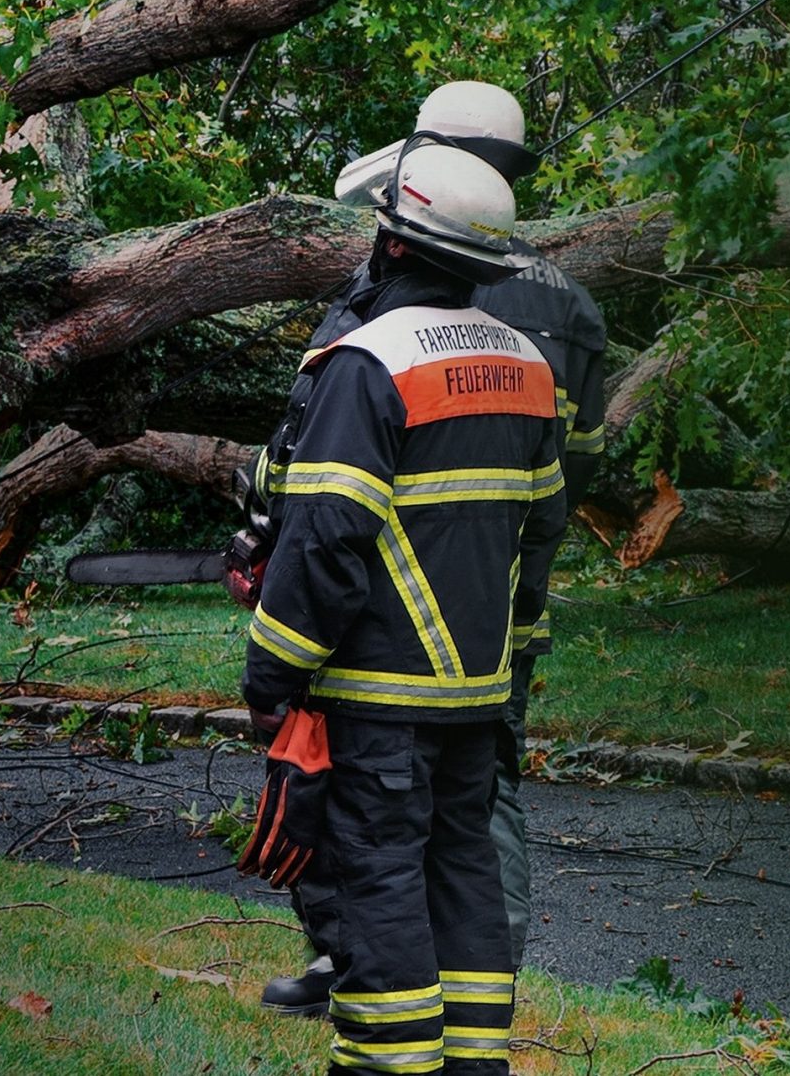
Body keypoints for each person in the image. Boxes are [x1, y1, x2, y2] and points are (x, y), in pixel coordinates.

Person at [243, 83, 609, 1019]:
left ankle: (382, 1034)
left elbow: (330, 517)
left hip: (379, 673)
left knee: (378, 869)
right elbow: (550, 507)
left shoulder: (375, 348)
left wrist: (275, 671)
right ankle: (478, 1031)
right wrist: (511, 637)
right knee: (466, 851)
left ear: (398, 234)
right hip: (485, 659)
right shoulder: (545, 336)